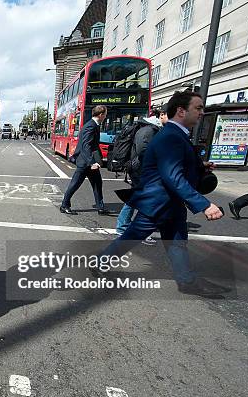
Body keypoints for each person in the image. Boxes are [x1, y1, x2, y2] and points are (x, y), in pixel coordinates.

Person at [97, 91, 228, 298]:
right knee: (134, 237)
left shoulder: (175, 135)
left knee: (176, 242)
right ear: (181, 111)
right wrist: (203, 204)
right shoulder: (171, 137)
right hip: (159, 202)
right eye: (198, 108)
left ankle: (186, 280)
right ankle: (100, 263)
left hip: (168, 202)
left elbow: (174, 166)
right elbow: (172, 176)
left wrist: (199, 165)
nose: (202, 112)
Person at [115, 110, 164, 245]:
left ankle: (123, 226)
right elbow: (143, 150)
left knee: (137, 198)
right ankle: (134, 229)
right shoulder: (149, 130)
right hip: (141, 169)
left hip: (139, 168)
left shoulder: (148, 128)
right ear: (161, 116)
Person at [60, 105, 110, 215]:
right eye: (105, 114)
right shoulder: (91, 126)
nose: (106, 116)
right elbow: (86, 146)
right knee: (74, 184)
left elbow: (93, 145)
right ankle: (64, 205)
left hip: (89, 161)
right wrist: (91, 162)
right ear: (101, 114)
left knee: (97, 183)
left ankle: (100, 207)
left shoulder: (94, 125)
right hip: (85, 162)